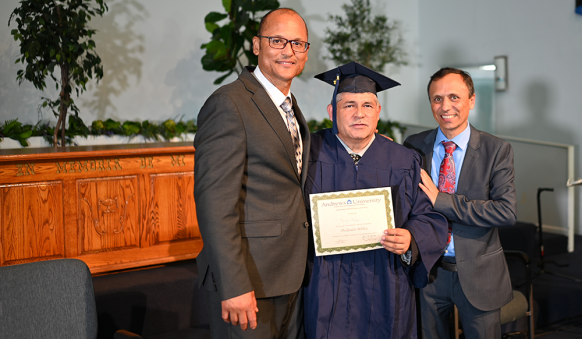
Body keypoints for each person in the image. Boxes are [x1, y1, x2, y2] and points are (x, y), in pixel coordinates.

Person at [303, 62, 449, 339]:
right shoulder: (310, 155)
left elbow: (429, 216)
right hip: (324, 282)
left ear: (378, 112)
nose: (359, 114)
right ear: (332, 112)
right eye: (349, 106)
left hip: (385, 280)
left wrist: (411, 238)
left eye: (368, 106)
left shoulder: (404, 160)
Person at [194, 8, 311, 339]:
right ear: (257, 45)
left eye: (298, 43)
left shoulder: (289, 106)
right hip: (248, 283)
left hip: (288, 276)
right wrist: (234, 285)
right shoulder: (229, 104)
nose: (288, 51)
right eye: (278, 40)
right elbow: (214, 203)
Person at [403, 67, 517, 339]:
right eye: (437, 99)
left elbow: (506, 211)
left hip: (479, 275)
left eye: (454, 97)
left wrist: (441, 201)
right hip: (428, 274)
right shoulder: (413, 146)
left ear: (472, 100)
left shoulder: (496, 150)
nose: (445, 106)